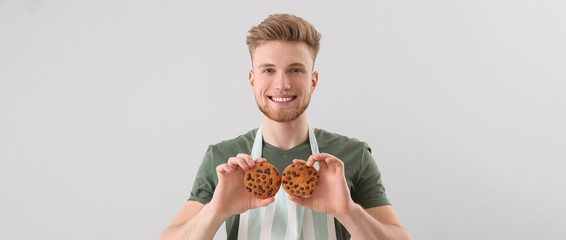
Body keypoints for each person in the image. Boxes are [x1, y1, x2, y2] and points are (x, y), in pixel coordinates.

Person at [161, 13, 411, 240]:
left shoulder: (351, 156)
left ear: (313, 81)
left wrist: (347, 211)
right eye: (268, 70)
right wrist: (217, 210)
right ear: (252, 80)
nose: (282, 84)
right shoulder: (223, 161)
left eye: (295, 70)